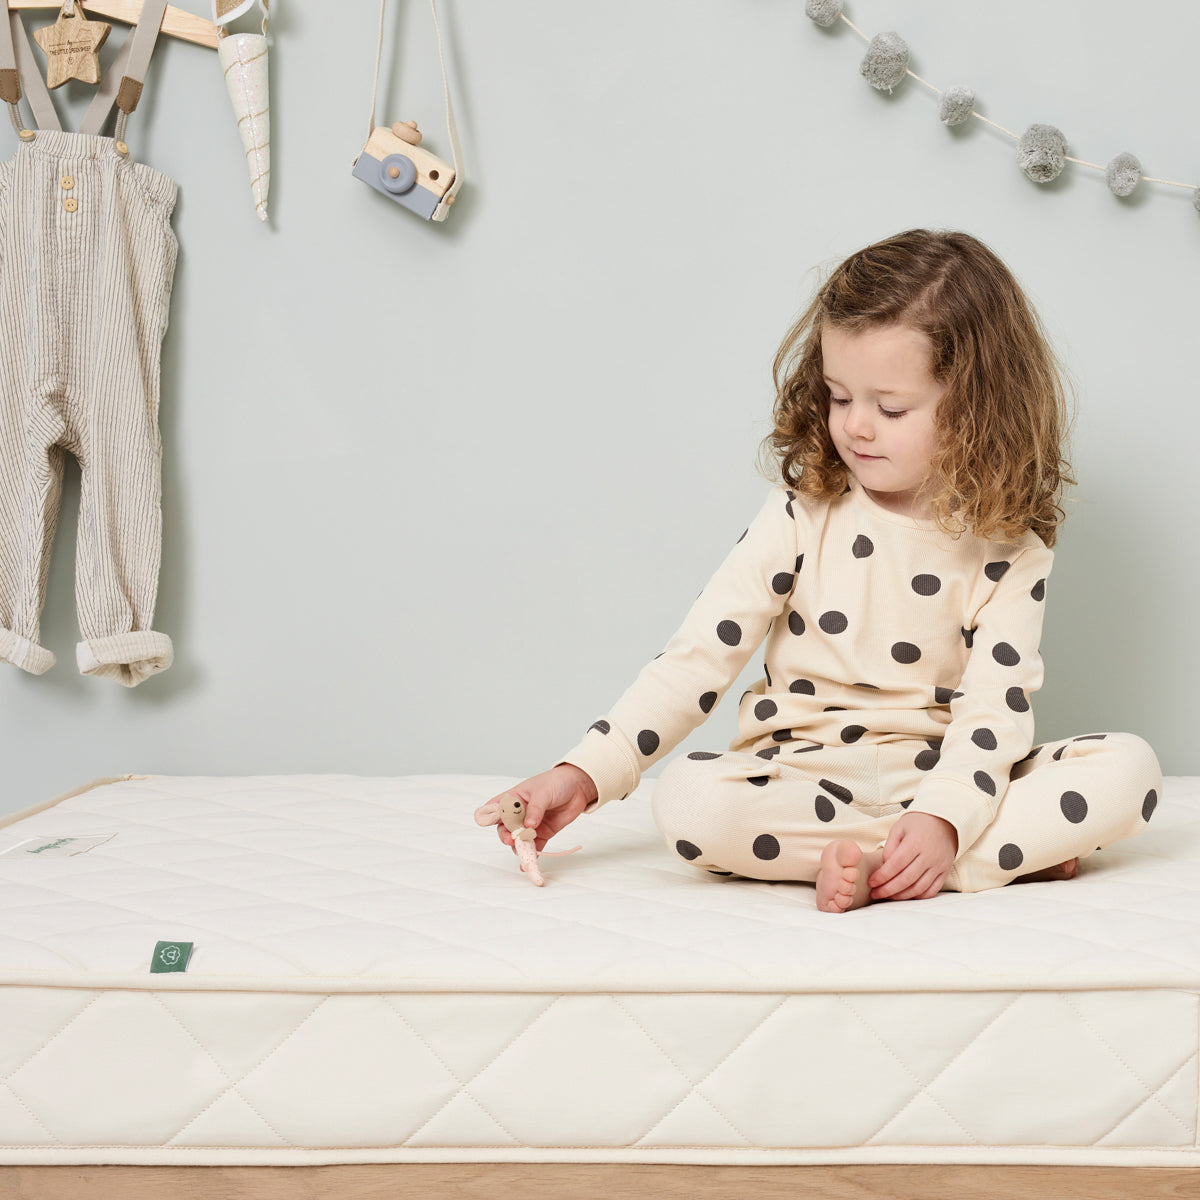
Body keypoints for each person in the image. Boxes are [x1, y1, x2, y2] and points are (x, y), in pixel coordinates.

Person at [487, 229, 1162, 912]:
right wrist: (583, 773)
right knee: (688, 804)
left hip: (944, 781)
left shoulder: (1011, 549)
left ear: (975, 410)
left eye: (890, 408)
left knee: (1130, 769)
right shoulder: (801, 513)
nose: (856, 427)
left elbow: (995, 711)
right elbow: (695, 662)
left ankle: (919, 855)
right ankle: (967, 862)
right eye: (839, 397)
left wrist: (943, 816)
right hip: (803, 778)